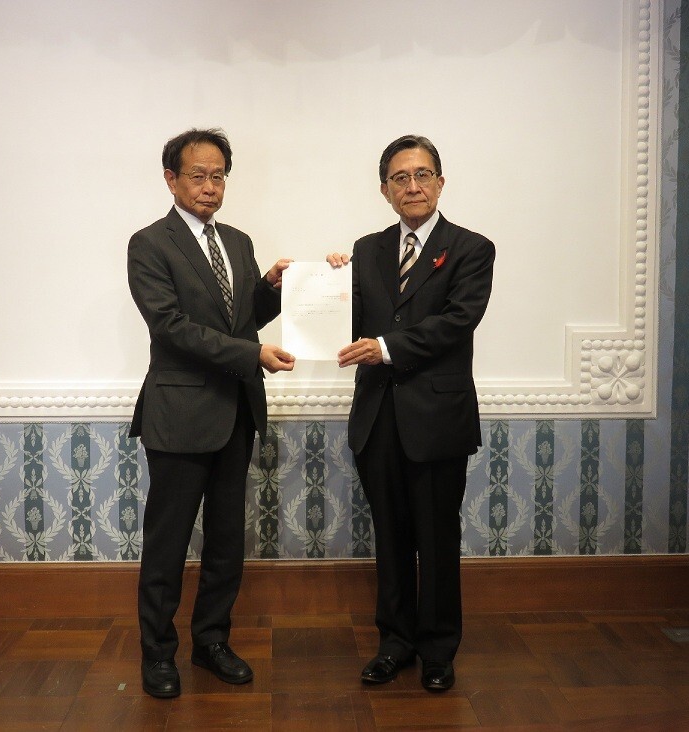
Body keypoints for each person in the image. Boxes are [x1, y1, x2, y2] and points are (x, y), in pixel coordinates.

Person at [128, 128, 295, 698]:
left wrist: (272, 288)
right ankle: (157, 654)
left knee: (227, 541)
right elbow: (171, 327)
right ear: (171, 179)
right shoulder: (149, 244)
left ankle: (212, 642)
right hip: (178, 414)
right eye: (197, 175)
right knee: (168, 542)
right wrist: (252, 355)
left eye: (218, 175)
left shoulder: (239, 243)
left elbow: (241, 320)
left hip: (236, 412)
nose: (209, 186)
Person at [335, 134, 495, 692]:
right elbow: (346, 322)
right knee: (391, 537)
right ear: (385, 190)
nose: (413, 186)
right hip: (377, 417)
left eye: (423, 174)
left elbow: (458, 321)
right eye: (400, 178)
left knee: (437, 537)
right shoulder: (367, 250)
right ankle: (395, 643)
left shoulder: (471, 248)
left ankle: (438, 650)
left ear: (441, 183)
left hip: (437, 420)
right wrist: (328, 283)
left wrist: (386, 347)